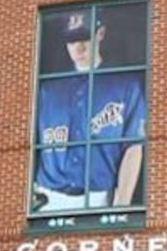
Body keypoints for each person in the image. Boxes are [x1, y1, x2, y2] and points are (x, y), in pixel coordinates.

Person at [32, 11, 146, 212]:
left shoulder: (125, 84)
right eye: (71, 40)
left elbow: (133, 147)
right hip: (48, 196)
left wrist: (121, 204)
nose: (78, 47)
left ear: (100, 33)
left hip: (98, 197)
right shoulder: (47, 88)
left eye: (84, 37)